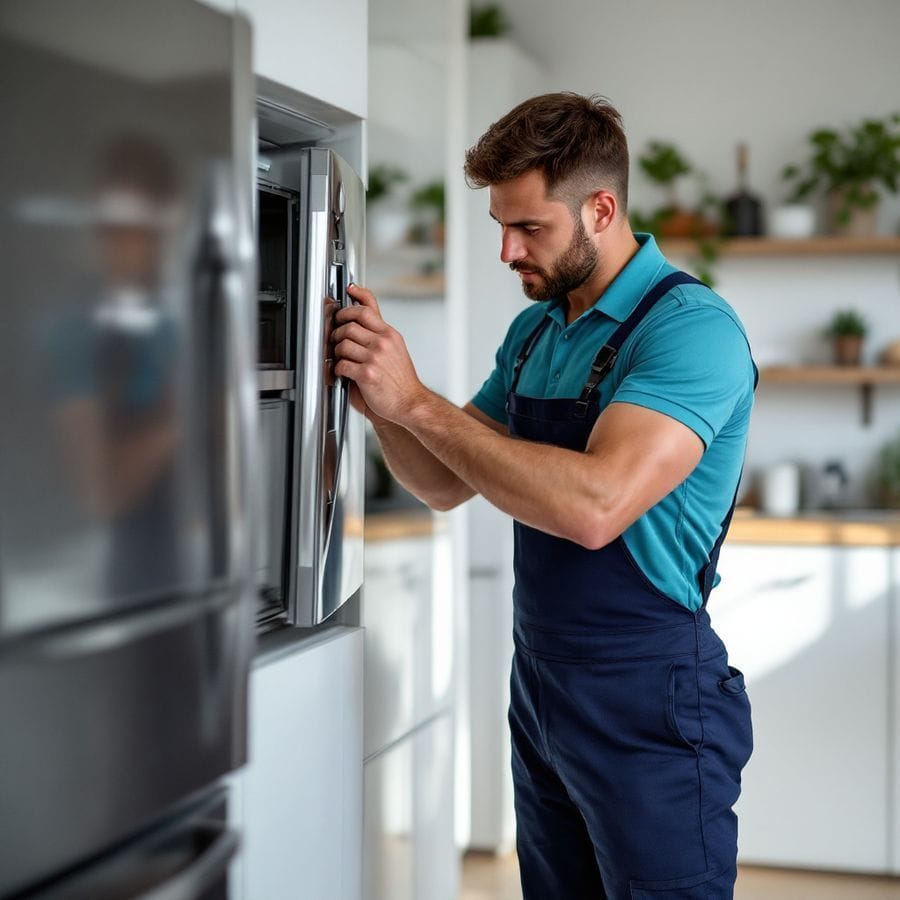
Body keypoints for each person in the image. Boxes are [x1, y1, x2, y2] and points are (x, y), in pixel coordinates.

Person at [334, 93, 756, 899]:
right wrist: (381, 403)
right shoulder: (535, 332)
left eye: (529, 228)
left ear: (601, 209)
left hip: (653, 704)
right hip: (543, 692)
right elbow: (443, 484)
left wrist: (419, 402)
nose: (506, 251)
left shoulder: (690, 330)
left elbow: (595, 507)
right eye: (501, 224)